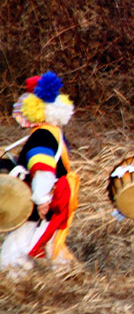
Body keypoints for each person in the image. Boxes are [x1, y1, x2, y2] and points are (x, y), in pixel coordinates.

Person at [0, 73, 80, 275]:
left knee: (20, 246)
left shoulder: (43, 135)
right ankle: (65, 274)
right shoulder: (52, 131)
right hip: (50, 197)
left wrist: (41, 199)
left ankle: (18, 280)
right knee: (48, 239)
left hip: (42, 200)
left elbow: (43, 168)